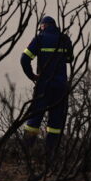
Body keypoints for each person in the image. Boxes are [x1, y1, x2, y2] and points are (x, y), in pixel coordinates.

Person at [20, 15, 73, 161]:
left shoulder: (40, 38)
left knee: (34, 121)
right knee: (55, 124)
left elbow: (24, 59)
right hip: (60, 87)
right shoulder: (64, 39)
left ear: (43, 26)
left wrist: (32, 76)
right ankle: (51, 156)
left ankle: (26, 153)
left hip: (43, 86)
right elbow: (69, 58)